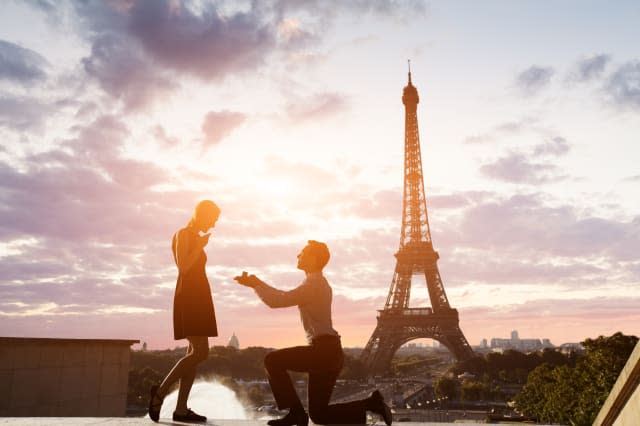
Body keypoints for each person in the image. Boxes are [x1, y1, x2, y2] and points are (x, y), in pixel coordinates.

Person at [234, 240, 392, 426]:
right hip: (329, 352)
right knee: (319, 415)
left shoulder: (314, 284)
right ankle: (371, 404)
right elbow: (281, 296)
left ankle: (295, 414)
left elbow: (278, 300)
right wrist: (257, 283)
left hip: (323, 351)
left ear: (314, 258)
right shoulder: (316, 283)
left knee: (272, 361)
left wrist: (256, 284)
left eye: (302, 252)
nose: (298, 256)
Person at [148, 200, 221, 423]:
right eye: (212, 219)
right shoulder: (184, 234)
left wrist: (200, 244)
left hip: (199, 296)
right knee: (200, 353)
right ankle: (160, 393)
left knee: (193, 353)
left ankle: (180, 410)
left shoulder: (194, 236)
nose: (213, 225)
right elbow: (184, 267)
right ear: (201, 214)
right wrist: (199, 245)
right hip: (189, 297)